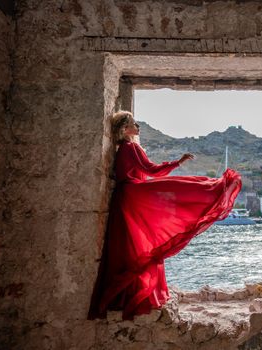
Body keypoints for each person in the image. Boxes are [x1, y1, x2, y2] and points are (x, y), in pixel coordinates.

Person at [88, 110, 241, 320]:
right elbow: (152, 170)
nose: (138, 128)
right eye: (135, 124)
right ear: (125, 129)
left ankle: (123, 296)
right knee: (179, 189)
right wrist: (178, 163)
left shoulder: (122, 148)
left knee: (130, 247)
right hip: (133, 197)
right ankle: (215, 188)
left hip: (124, 199)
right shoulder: (131, 147)